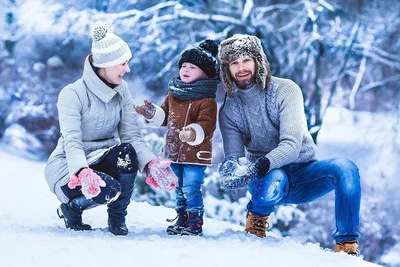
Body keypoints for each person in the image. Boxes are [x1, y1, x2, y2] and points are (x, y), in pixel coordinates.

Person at [217, 34, 361, 256]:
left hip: (305, 174)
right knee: (275, 177)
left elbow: (291, 145)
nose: (241, 67)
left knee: (346, 168)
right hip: (268, 183)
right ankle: (256, 219)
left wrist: (259, 165)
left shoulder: (286, 90)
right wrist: (230, 167)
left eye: (246, 60)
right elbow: (235, 156)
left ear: (258, 60)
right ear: (227, 70)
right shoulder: (229, 110)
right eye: (234, 63)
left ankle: (347, 245)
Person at [44, 21, 175, 236]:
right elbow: (72, 141)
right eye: (123, 63)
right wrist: (82, 171)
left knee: (127, 151)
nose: (127, 69)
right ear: (106, 63)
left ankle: (117, 219)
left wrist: (151, 163)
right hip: (69, 167)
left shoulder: (122, 90)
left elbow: (131, 136)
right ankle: (71, 209)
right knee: (109, 189)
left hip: (103, 158)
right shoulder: (72, 93)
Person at [135, 39, 220, 236]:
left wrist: (192, 132)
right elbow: (165, 117)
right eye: (183, 65)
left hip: (195, 154)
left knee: (191, 187)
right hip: (174, 152)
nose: (186, 69)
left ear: (205, 73)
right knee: (179, 188)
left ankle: (194, 221)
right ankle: (182, 217)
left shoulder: (207, 100)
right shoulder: (174, 95)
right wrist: (150, 113)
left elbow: (207, 125)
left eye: (192, 67)